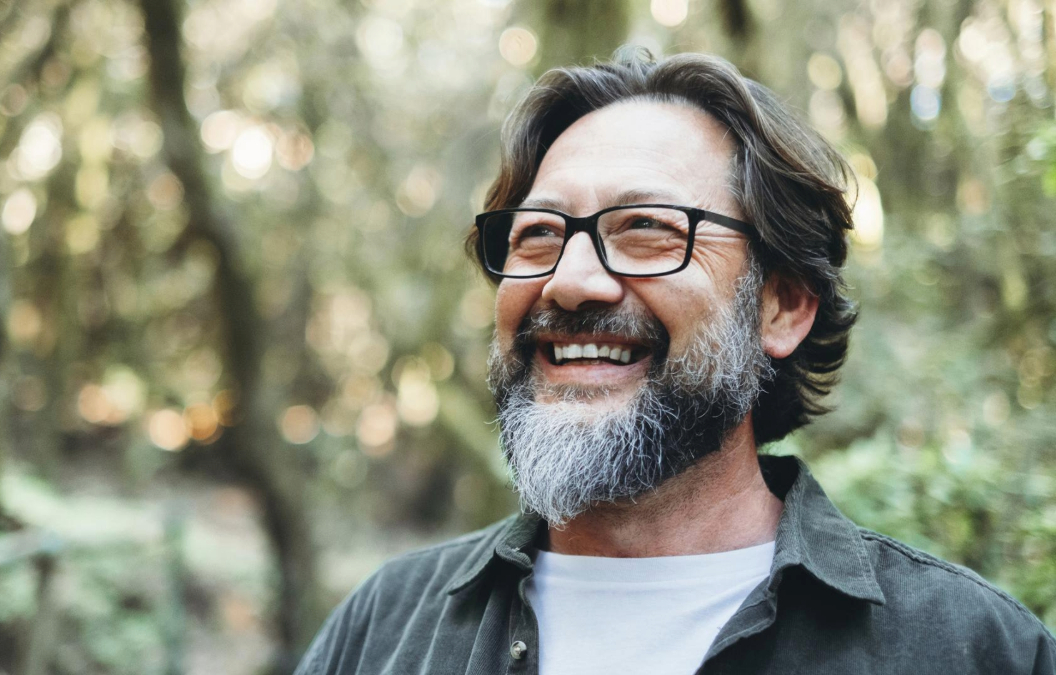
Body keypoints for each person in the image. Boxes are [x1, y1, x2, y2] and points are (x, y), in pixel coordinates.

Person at [293, 51, 1056, 675]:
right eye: (537, 236)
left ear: (782, 307)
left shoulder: (976, 649)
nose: (570, 279)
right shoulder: (383, 627)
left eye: (648, 229)